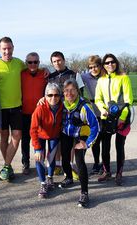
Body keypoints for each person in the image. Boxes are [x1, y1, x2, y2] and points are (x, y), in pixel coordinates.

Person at [0, 37, 26, 181]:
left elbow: (32, 70)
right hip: (1, 109)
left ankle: (6, 166)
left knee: (17, 137)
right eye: (4, 48)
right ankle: (8, 167)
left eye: (9, 48)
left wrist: (45, 69)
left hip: (17, 107)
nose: (7, 51)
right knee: (4, 138)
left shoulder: (19, 64)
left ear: (13, 48)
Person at [95, 53, 133, 186]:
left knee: (119, 146)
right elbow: (98, 99)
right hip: (107, 117)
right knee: (105, 146)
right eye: (107, 63)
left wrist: (122, 118)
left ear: (116, 63)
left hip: (122, 117)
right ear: (103, 66)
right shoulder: (101, 80)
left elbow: (128, 101)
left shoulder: (124, 78)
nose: (110, 65)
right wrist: (102, 109)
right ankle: (107, 172)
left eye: (112, 62)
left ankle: (119, 173)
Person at [60, 79, 99, 208]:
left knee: (79, 161)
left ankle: (84, 193)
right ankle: (69, 178)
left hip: (81, 134)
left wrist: (87, 143)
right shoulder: (61, 103)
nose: (69, 93)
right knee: (65, 158)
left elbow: (95, 126)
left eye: (72, 90)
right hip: (67, 133)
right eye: (66, 90)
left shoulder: (84, 106)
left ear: (77, 91)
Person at [48, 51, 85, 177]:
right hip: (56, 113)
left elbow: (81, 94)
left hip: (72, 113)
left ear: (64, 60)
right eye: (54, 61)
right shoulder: (50, 77)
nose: (57, 63)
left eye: (59, 60)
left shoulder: (74, 75)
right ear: (52, 63)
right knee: (58, 141)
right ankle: (58, 165)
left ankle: (70, 166)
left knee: (72, 140)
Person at [30, 83, 63, 198]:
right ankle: (43, 183)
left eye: (56, 95)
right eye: (50, 95)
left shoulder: (62, 106)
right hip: (40, 135)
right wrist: (37, 148)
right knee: (39, 158)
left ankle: (50, 178)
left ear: (60, 96)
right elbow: (33, 129)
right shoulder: (40, 108)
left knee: (51, 157)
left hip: (54, 136)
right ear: (45, 96)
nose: (53, 98)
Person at [21, 52, 47, 175]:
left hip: (40, 113)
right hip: (25, 113)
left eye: (35, 62)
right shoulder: (21, 74)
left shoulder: (44, 74)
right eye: (30, 62)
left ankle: (42, 161)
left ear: (39, 62)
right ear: (26, 63)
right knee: (25, 140)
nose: (33, 64)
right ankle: (25, 163)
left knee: (41, 139)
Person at [81, 55, 103, 175]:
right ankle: (96, 163)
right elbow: (75, 78)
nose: (93, 69)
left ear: (100, 66)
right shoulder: (85, 76)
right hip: (93, 110)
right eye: (91, 67)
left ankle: (104, 164)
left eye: (96, 66)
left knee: (104, 139)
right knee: (95, 139)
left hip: (104, 110)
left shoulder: (105, 77)